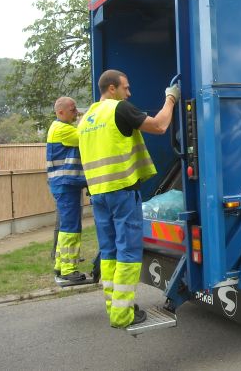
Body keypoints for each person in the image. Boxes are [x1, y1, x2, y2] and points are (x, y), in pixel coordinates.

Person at [78, 69, 180, 328]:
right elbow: (159, 125)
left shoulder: (87, 117)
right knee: (128, 251)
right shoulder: (118, 109)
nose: (129, 93)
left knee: (110, 251)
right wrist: (171, 99)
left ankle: (116, 308)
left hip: (98, 195)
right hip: (121, 192)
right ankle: (123, 315)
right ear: (112, 89)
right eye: (126, 88)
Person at [47, 97, 87, 281]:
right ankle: (69, 269)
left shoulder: (60, 127)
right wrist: (88, 119)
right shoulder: (62, 130)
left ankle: (59, 265)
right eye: (73, 109)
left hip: (65, 184)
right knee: (71, 227)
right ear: (60, 112)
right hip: (65, 183)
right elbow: (86, 137)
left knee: (66, 226)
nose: (76, 111)